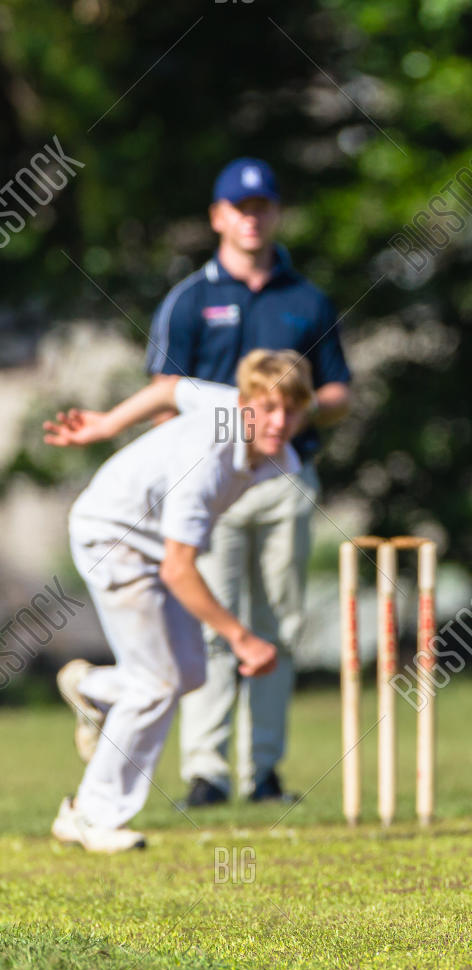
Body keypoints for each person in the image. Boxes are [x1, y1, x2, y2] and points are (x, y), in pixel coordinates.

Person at [145, 157, 352, 807]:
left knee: (280, 624)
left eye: (262, 206)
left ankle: (263, 772)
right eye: (240, 206)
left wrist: (291, 415)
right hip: (213, 483)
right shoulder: (191, 300)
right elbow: (163, 392)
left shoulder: (306, 299)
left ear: (276, 213)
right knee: (212, 622)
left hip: (285, 479)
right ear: (218, 217)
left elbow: (339, 389)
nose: (251, 217)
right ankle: (206, 772)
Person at [45, 350, 313, 851]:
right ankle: (89, 814)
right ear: (246, 404)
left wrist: (108, 425)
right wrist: (242, 638)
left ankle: (94, 688)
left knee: (189, 672)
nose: (278, 422)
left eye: (291, 410)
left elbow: (169, 389)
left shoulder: (229, 408)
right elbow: (179, 568)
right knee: (156, 682)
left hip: (147, 541)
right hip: (113, 538)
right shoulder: (209, 460)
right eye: (268, 408)